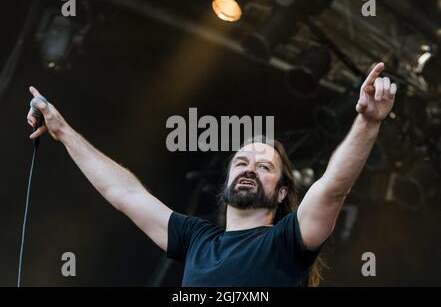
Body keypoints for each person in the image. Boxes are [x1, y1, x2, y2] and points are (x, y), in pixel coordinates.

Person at [26, 62, 397, 286]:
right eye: (241, 162)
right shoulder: (197, 239)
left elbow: (333, 187)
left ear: (283, 193)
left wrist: (367, 122)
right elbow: (124, 193)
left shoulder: (287, 242)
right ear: (226, 181)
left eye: (264, 166)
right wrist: (62, 131)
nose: (249, 168)